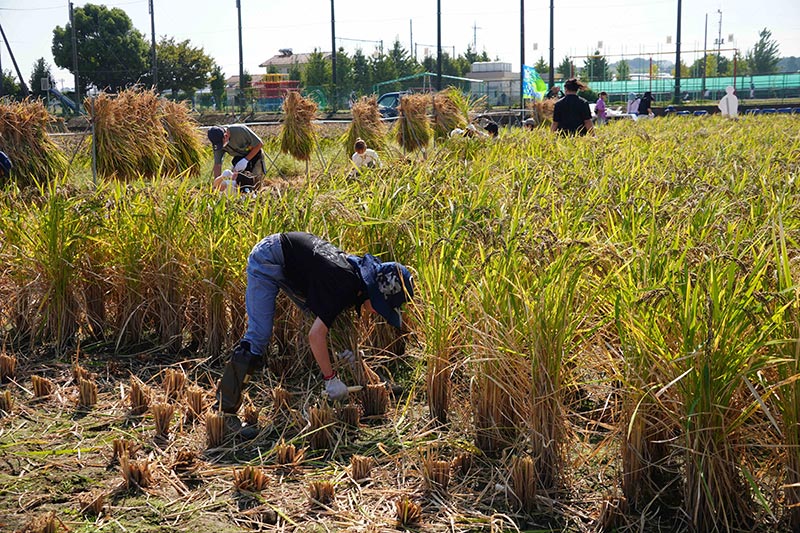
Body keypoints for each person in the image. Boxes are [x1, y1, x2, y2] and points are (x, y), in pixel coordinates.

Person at [216, 232, 414, 437]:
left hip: (290, 256)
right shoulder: (343, 286)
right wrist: (330, 379)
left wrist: (349, 357)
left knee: (337, 328)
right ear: (375, 292)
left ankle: (371, 382)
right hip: (268, 258)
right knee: (259, 335)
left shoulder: (356, 276)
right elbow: (315, 336)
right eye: (382, 307)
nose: (378, 312)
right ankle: (224, 412)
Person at [207, 124, 266, 189]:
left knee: (255, 182)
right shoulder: (218, 145)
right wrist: (217, 184)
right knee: (237, 184)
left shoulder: (240, 130)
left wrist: (245, 160)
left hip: (255, 155)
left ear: (226, 135)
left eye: (221, 143)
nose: (221, 146)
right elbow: (217, 164)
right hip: (238, 160)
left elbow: (259, 144)